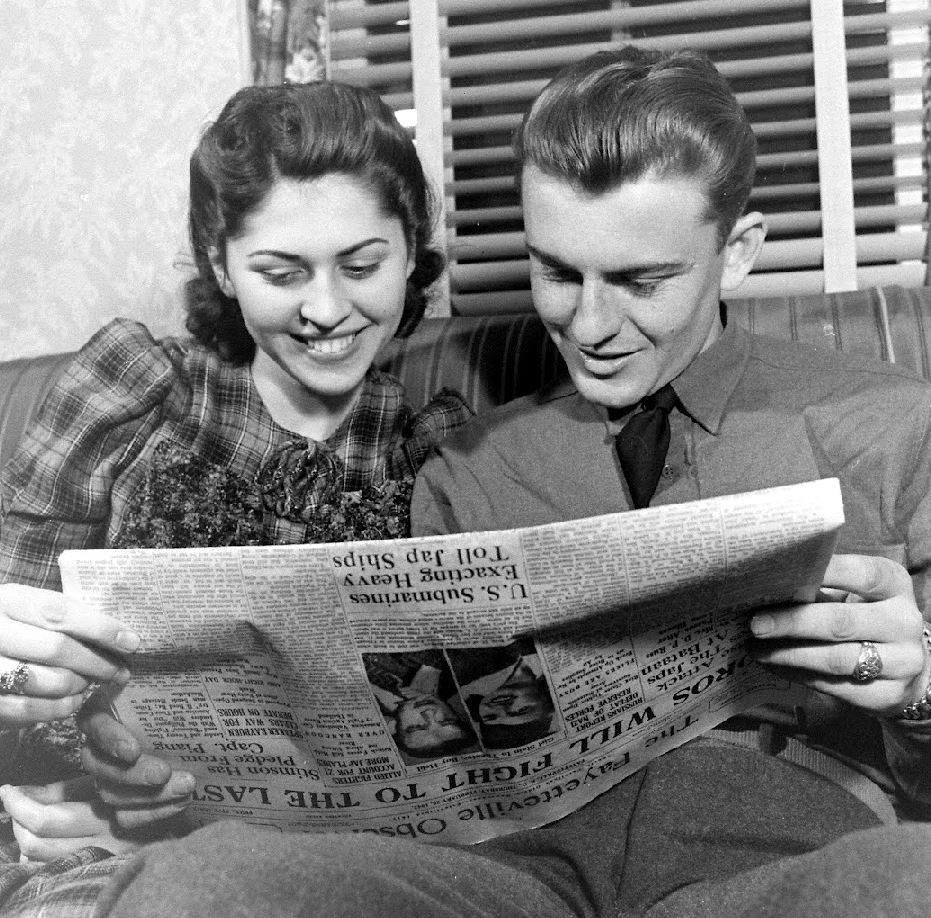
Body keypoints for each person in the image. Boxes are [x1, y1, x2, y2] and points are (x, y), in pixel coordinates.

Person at [76, 45, 931, 918]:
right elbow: (419, 748)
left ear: (737, 250)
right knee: (197, 885)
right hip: (516, 880)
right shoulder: (467, 464)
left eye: (640, 281)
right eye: (556, 272)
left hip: (768, 866)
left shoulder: (891, 425)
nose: (589, 324)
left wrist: (918, 691)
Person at [0, 79, 471, 911]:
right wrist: (65, 784)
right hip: (82, 845)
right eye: (281, 273)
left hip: (323, 872)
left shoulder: (434, 454)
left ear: (410, 256)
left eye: (361, 266)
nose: (326, 309)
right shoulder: (136, 390)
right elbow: (12, 652)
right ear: (221, 264)